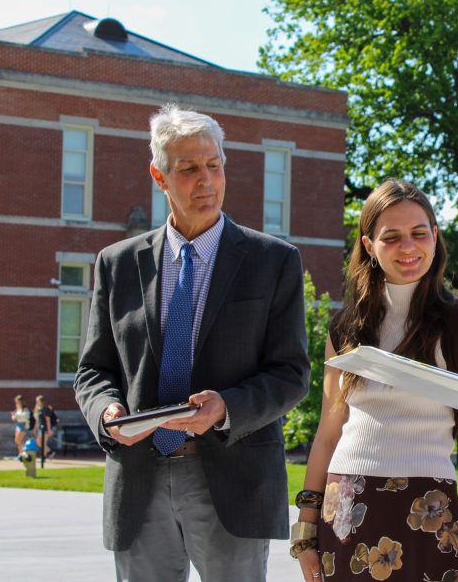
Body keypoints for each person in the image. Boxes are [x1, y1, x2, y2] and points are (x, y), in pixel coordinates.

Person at [74, 104, 310, 582]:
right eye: (188, 169)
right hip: (139, 480)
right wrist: (106, 412)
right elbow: (94, 370)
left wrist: (226, 407)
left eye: (214, 165)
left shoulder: (273, 261)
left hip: (233, 478)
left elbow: (291, 374)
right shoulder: (116, 264)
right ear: (159, 177)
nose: (206, 180)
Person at [293, 179, 458, 582]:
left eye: (419, 233)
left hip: (429, 510)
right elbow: (328, 434)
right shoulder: (345, 328)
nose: (409, 247)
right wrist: (305, 529)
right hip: (345, 509)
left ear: (435, 237)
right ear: (369, 246)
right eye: (392, 237)